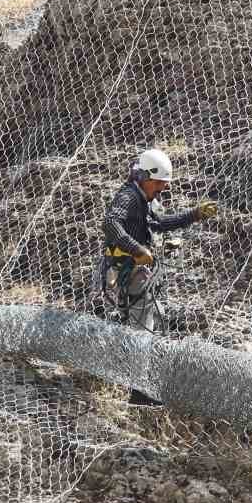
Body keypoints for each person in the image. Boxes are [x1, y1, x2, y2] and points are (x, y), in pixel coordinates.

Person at [98, 147, 217, 405]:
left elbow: (159, 223)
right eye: (159, 185)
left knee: (145, 325)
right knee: (142, 329)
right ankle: (139, 392)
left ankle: (140, 385)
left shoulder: (143, 198)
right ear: (146, 177)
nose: (161, 190)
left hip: (138, 272)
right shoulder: (129, 197)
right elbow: (110, 223)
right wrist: (137, 249)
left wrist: (193, 215)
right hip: (128, 272)